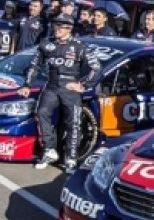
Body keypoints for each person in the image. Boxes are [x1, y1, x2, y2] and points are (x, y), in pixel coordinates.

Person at [18, 14, 101, 172]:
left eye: (60, 26)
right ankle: (49, 150)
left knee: (73, 122)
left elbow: (96, 68)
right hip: (51, 85)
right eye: (55, 25)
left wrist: (82, 84)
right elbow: (35, 65)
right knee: (42, 112)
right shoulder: (46, 44)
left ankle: (71, 159)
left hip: (70, 87)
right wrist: (27, 84)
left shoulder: (79, 46)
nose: (56, 29)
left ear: (69, 29)